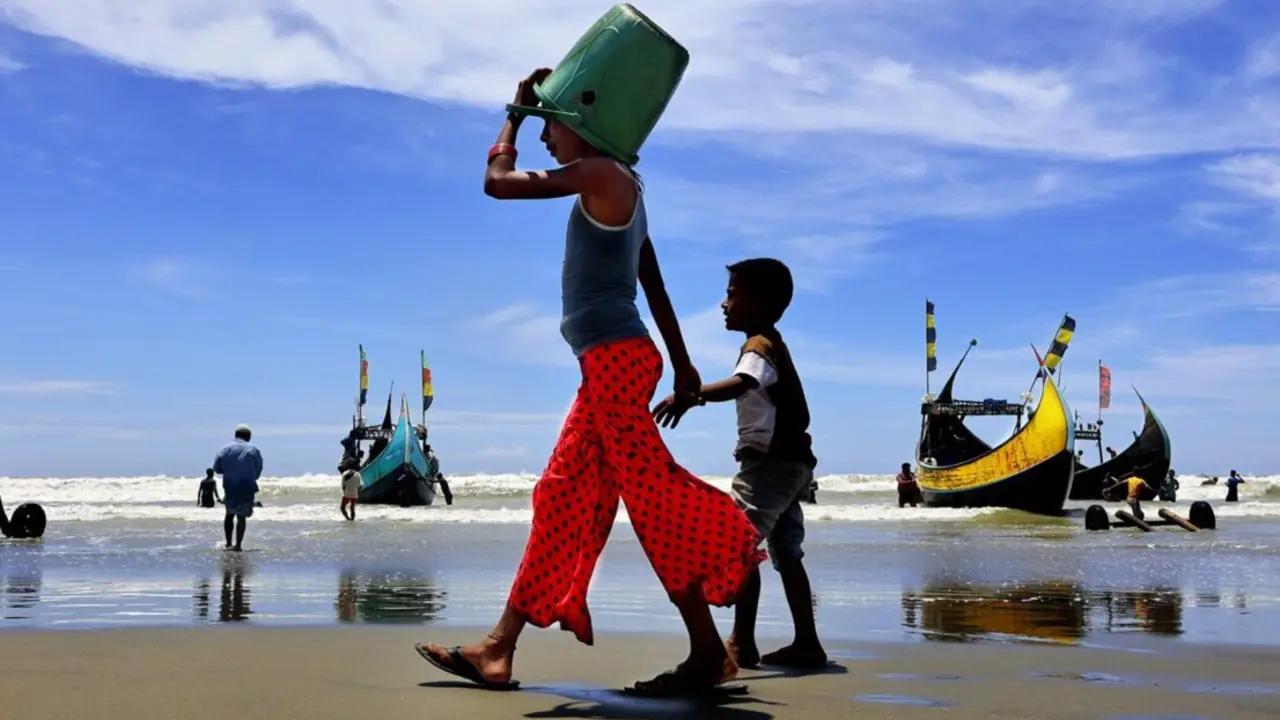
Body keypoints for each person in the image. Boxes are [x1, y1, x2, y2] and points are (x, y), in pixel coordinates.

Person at [414, 68, 766, 698]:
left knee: (655, 501)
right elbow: (651, 280)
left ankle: (710, 649)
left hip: (615, 362)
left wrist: (513, 117)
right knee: (562, 497)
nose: (548, 137)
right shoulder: (620, 187)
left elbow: (495, 185)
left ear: (581, 121)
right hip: (610, 362)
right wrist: (682, 364)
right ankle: (498, 648)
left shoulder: (602, 175)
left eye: (553, 122)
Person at [653, 257, 826, 671]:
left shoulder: (759, 346)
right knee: (787, 555)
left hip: (768, 468)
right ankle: (807, 643)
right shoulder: (770, 344)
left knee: (739, 545)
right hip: (790, 465)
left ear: (761, 302)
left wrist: (691, 394)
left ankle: (741, 642)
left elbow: (744, 384)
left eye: (732, 294)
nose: (723, 304)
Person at [213, 424, 263, 551]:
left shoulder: (226, 449)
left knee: (229, 514)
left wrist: (229, 470)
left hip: (230, 484)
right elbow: (258, 469)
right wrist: (252, 476)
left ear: (236, 435)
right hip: (246, 485)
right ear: (249, 437)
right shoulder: (254, 449)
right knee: (241, 516)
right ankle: (238, 545)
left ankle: (228, 543)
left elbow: (217, 468)